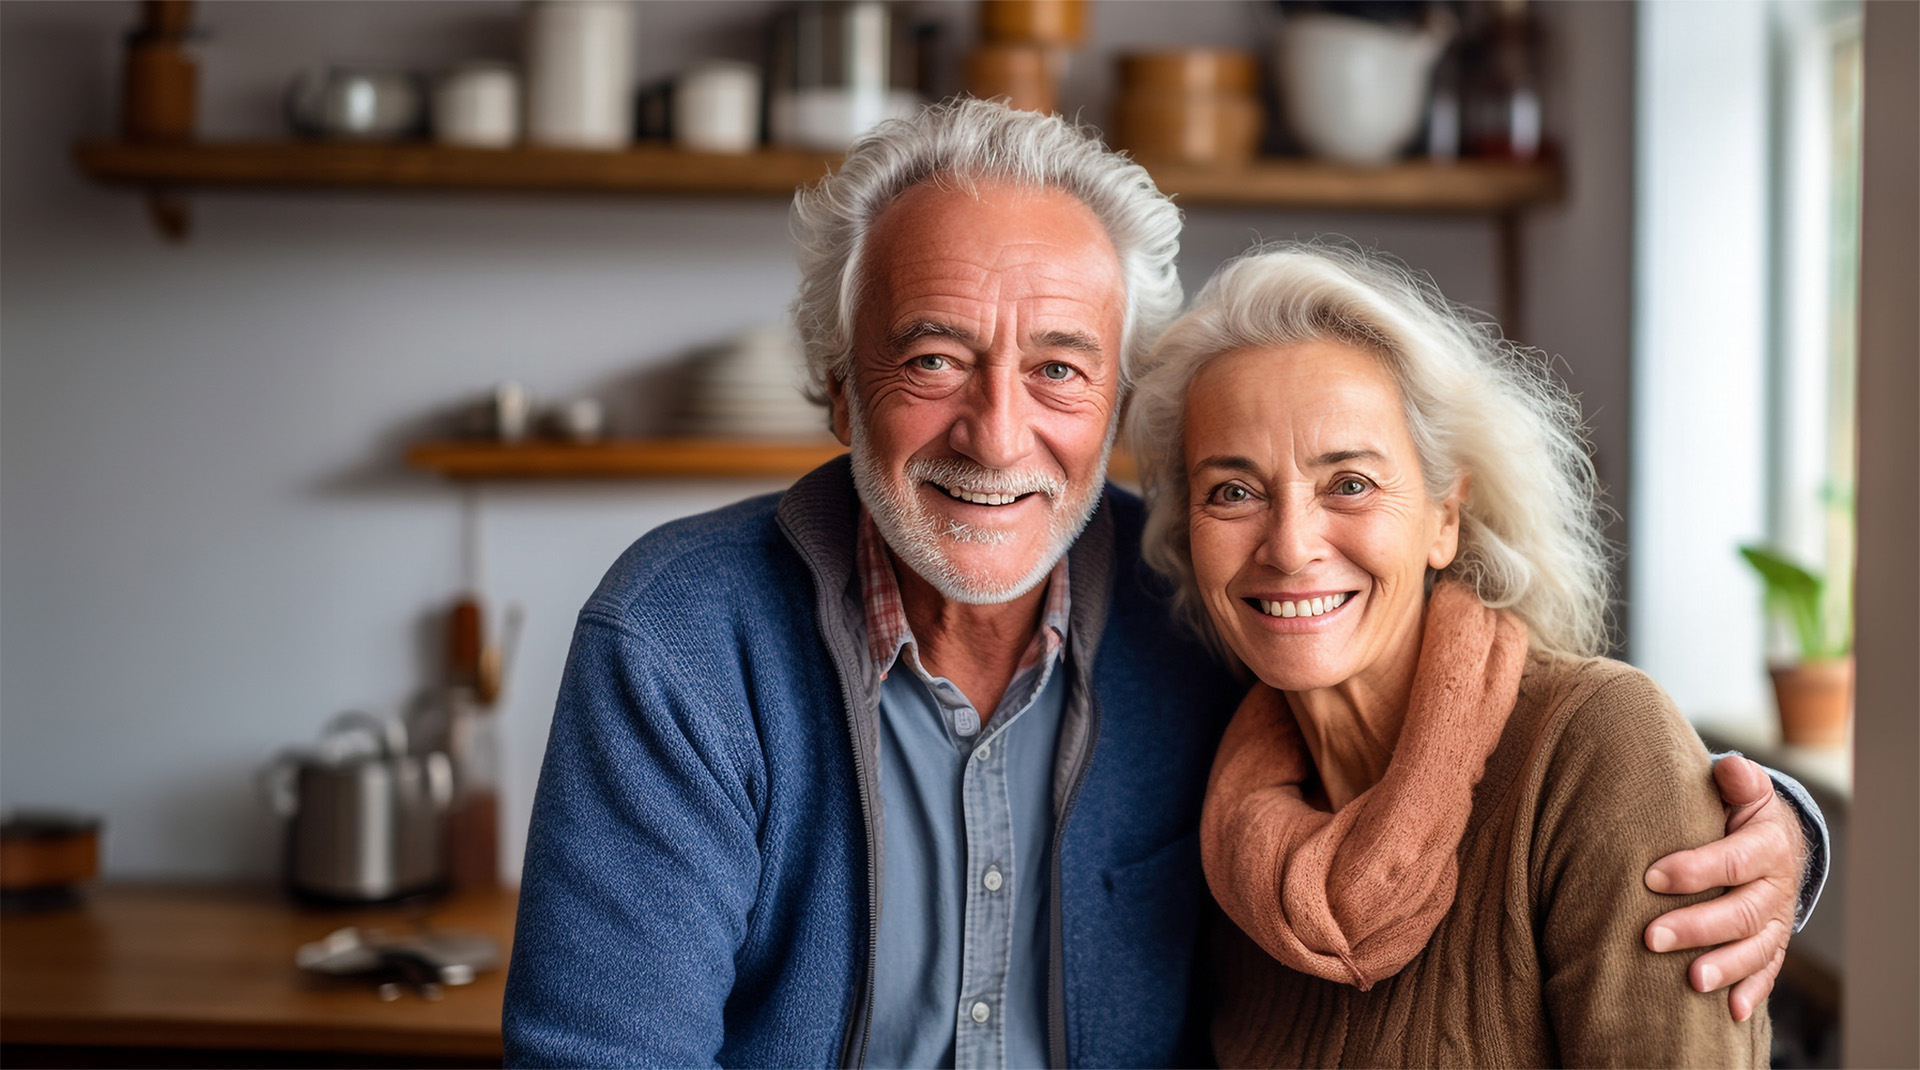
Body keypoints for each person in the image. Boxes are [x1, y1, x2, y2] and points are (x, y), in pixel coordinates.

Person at [503, 102, 1824, 1068]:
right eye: (934, 359)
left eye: (1061, 369)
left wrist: (1779, 833)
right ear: (839, 390)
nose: (997, 433)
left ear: (1118, 405)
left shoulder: (1203, 618)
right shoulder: (681, 637)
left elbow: (1516, 744)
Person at [1128, 240, 1786, 1066]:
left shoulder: (1599, 748)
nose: (1290, 547)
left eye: (1351, 483)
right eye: (1233, 492)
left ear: (1445, 516)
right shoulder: (1232, 825)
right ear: (1190, 531)